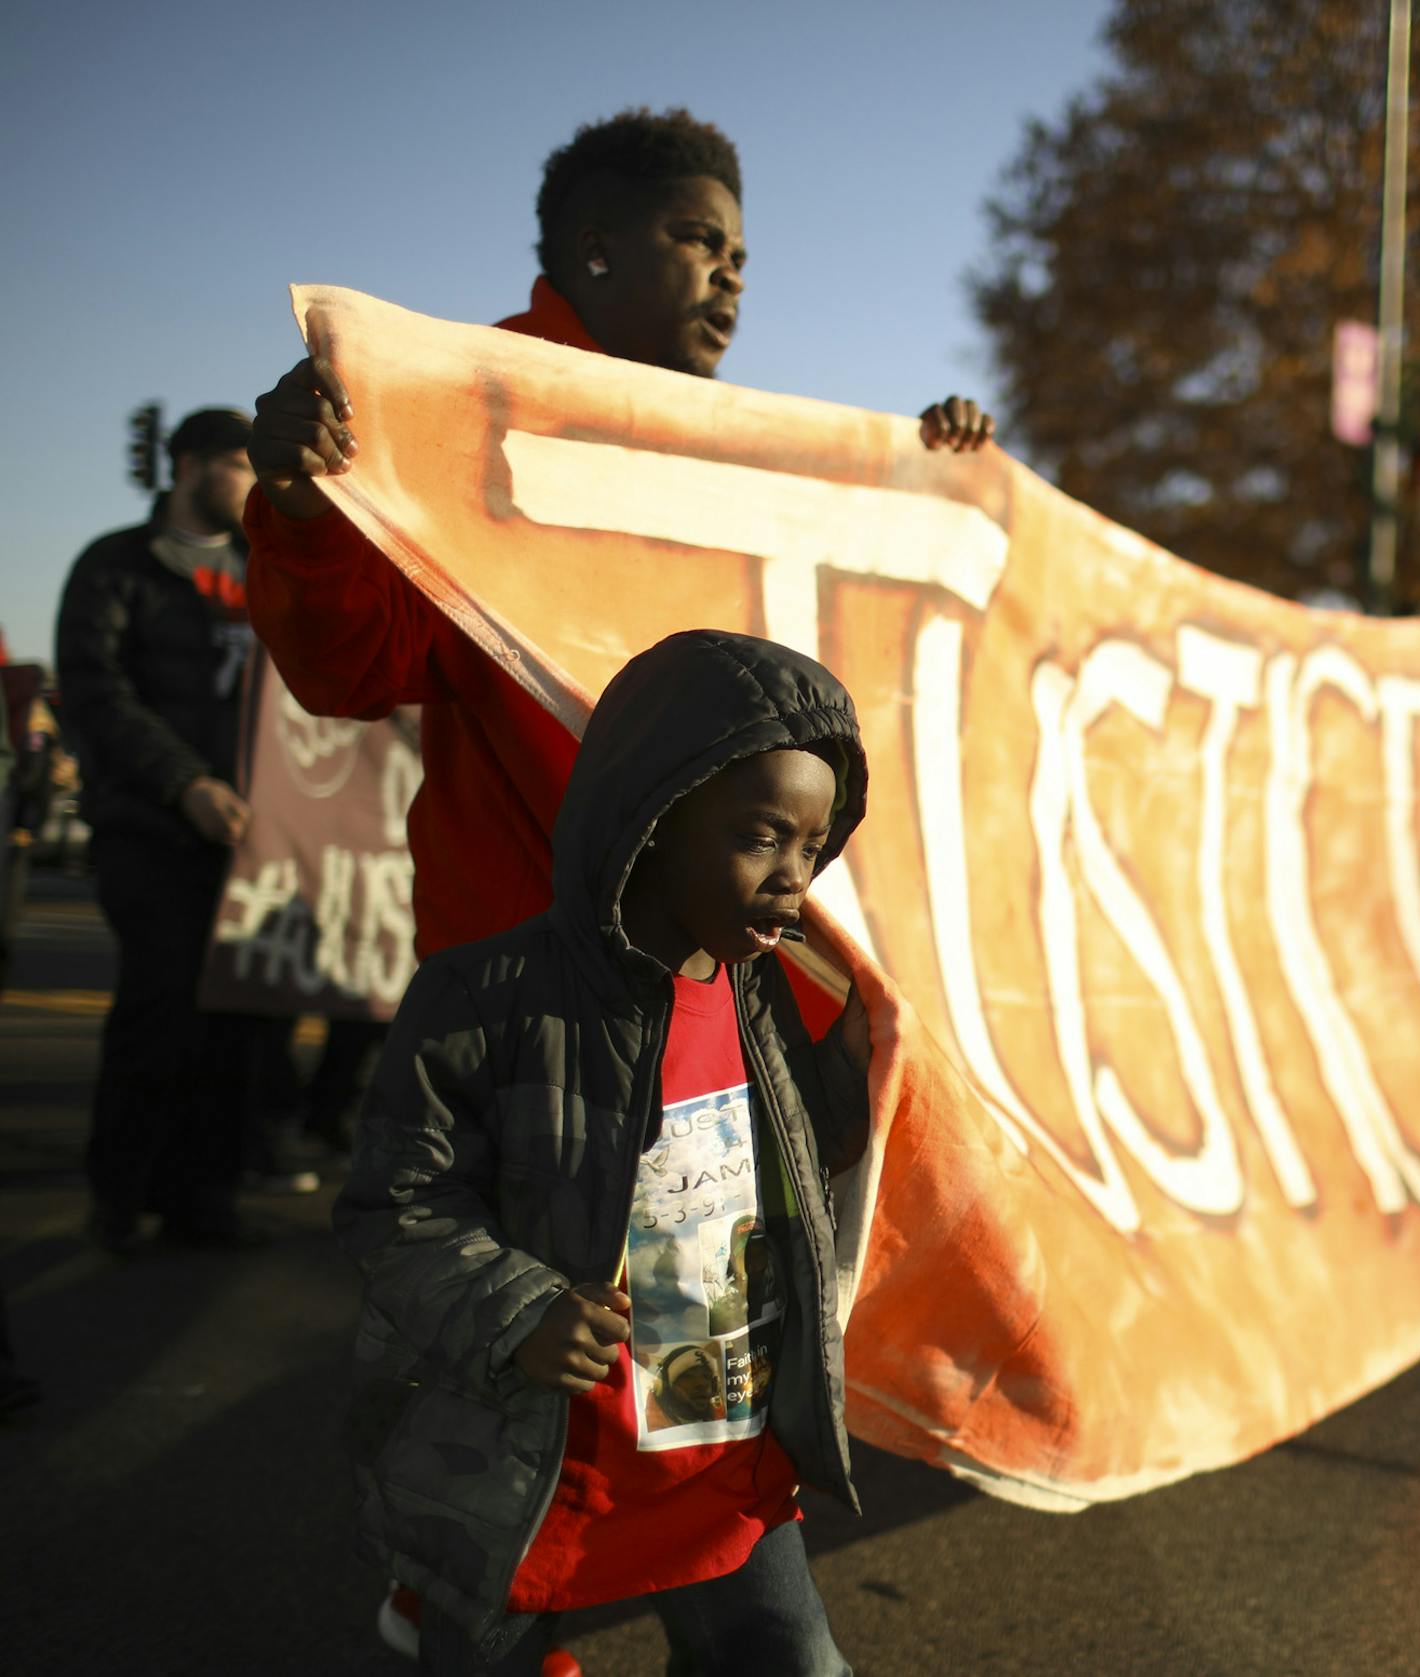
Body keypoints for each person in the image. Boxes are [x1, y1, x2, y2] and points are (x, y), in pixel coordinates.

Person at [244, 105, 993, 969]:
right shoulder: (457, 414)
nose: (731, 276)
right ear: (598, 248)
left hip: (711, 983)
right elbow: (349, 669)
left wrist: (938, 475)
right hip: (528, 980)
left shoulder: (727, 457)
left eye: (741, 257)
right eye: (700, 241)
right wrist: (304, 511)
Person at [337, 629, 872, 1676]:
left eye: (812, 850)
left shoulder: (764, 999)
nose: (792, 880)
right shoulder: (481, 996)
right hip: (527, 1458)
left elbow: (797, 1166)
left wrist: (853, 1069)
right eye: (763, 837)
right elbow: (395, 1202)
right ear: (655, 818)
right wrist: (518, 1310)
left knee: (791, 1660)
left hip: (714, 1454)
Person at [55, 407, 289, 1251]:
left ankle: (206, 1198)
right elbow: (93, 690)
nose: (252, 485)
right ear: (188, 466)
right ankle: (121, 1194)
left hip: (249, 838)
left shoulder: (263, 569)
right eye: (238, 466)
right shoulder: (118, 566)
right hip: (149, 832)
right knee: (159, 1011)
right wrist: (182, 781)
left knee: (237, 1022)